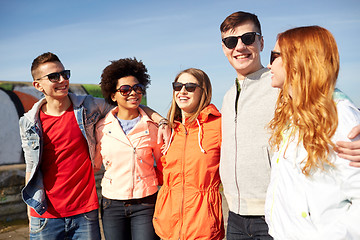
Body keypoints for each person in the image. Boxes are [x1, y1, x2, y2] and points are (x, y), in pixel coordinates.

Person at [219, 11, 360, 240]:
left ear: (260, 41)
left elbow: (326, 97)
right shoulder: (227, 97)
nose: (239, 47)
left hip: (271, 217)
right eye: (230, 41)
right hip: (241, 216)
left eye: (248, 38)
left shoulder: (281, 87)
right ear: (223, 47)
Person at [19, 52, 168, 239]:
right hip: (47, 214)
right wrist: (30, 211)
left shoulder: (88, 108)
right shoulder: (29, 123)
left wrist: (161, 120)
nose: (63, 80)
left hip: (85, 214)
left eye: (65, 74)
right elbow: (31, 167)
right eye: (54, 76)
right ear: (38, 85)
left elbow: (130, 104)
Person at [265, 25, 360, 239]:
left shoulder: (340, 117)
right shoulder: (294, 115)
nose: (269, 64)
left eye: (275, 55)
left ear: (298, 60)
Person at [94, 58, 162, 240]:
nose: (133, 93)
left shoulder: (153, 126)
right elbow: (94, 165)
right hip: (112, 204)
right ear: (113, 95)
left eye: (137, 88)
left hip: (146, 202)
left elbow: (163, 165)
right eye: (125, 89)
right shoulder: (101, 128)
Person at [153, 68, 224, 240]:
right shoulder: (169, 130)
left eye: (190, 87)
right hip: (168, 227)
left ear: (203, 91)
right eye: (178, 86)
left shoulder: (219, 125)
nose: (182, 91)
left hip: (204, 227)